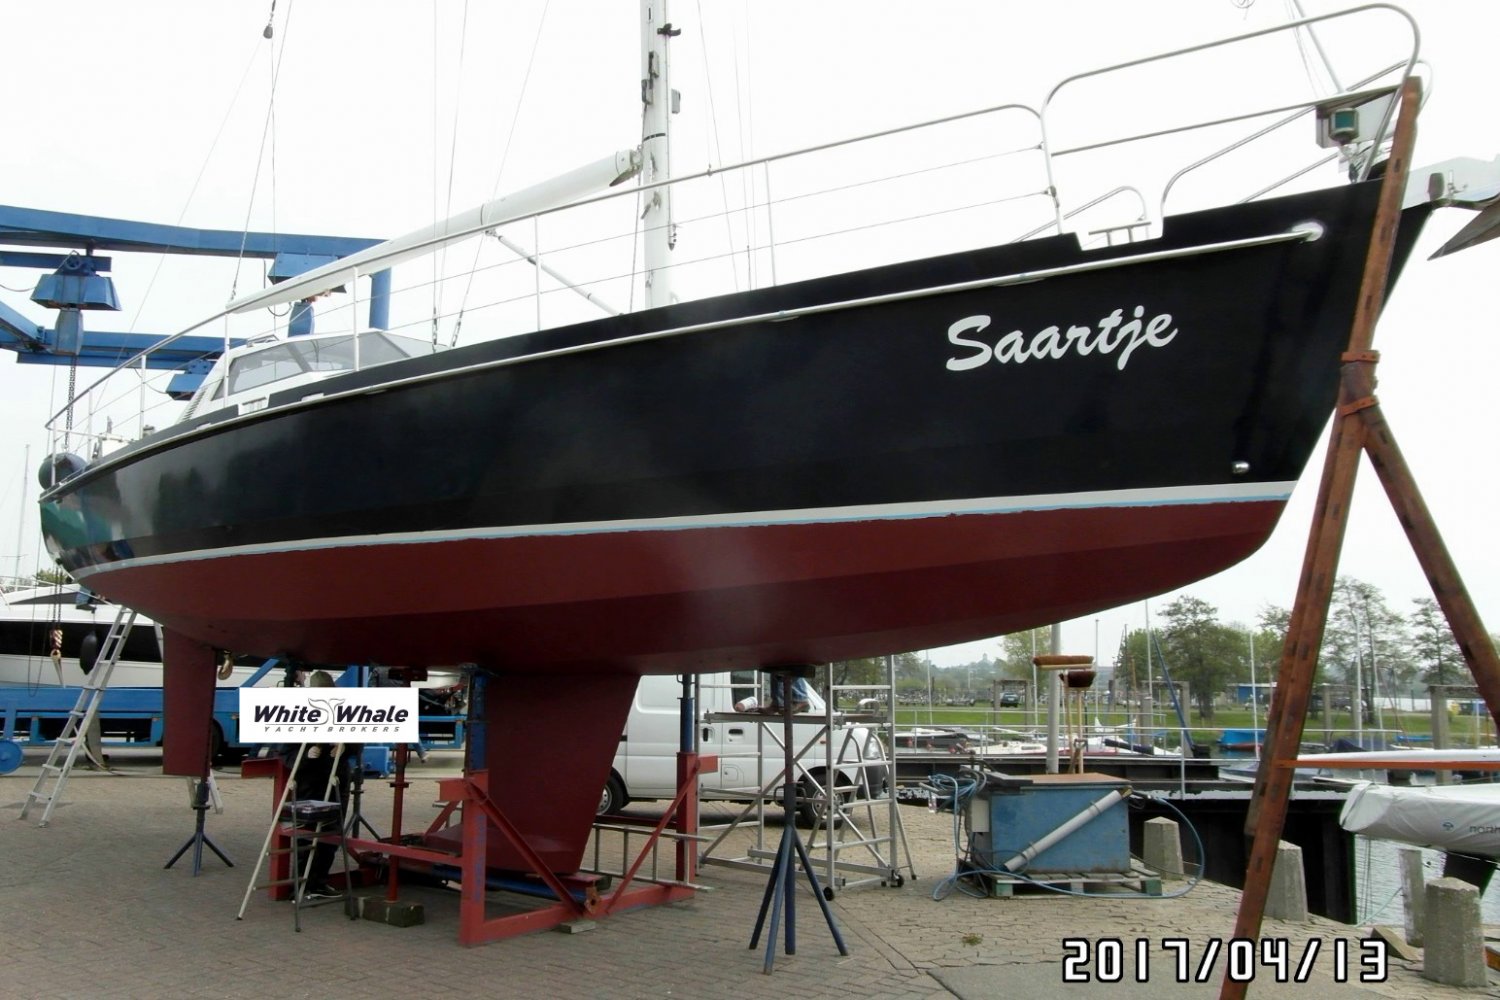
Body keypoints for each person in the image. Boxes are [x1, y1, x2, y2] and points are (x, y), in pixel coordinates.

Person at [280, 669, 347, 900]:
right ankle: (301, 883)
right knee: (306, 834)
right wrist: (306, 755)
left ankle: (319, 881)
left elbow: (358, 741)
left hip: (335, 780)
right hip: (309, 783)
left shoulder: (342, 711)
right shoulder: (298, 715)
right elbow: (285, 753)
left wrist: (346, 747)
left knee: (331, 834)